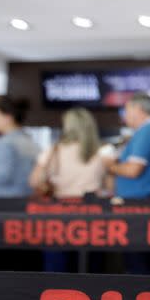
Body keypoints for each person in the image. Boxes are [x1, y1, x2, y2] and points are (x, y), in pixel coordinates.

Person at [103, 92, 150, 274]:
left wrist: (110, 165)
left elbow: (133, 170)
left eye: (126, 109)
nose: (124, 115)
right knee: (148, 263)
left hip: (140, 207)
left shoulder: (147, 131)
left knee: (139, 266)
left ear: (138, 109)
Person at [29, 107, 106, 272]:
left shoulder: (55, 150)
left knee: (56, 269)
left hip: (58, 215)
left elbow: (35, 181)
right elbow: (110, 188)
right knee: (91, 270)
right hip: (92, 216)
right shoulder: (100, 154)